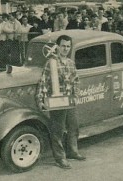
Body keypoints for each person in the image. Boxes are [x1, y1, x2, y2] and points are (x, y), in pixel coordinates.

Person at [36, 35, 86, 169]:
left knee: (73, 127)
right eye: (63, 46)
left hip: (70, 100)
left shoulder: (70, 63)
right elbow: (43, 82)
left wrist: (76, 95)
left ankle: (73, 151)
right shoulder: (51, 62)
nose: (65, 48)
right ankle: (60, 158)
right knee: (57, 130)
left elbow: (76, 80)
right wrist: (40, 99)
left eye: (68, 46)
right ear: (57, 46)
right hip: (57, 101)